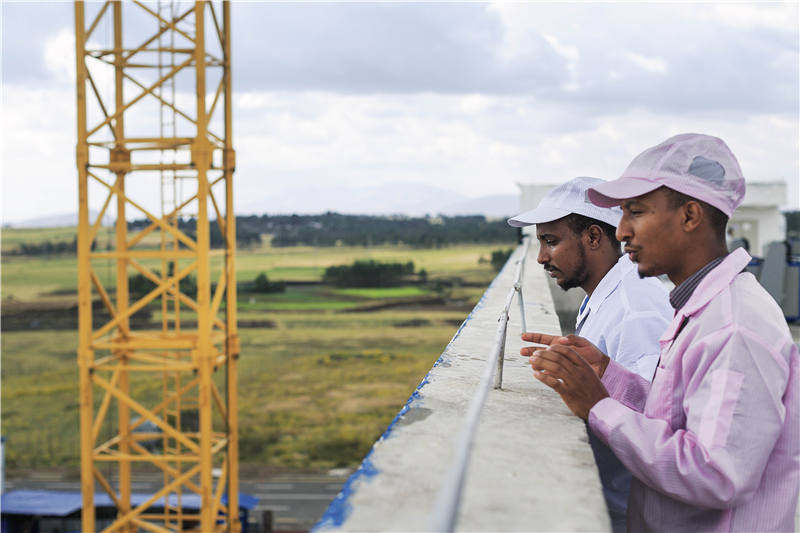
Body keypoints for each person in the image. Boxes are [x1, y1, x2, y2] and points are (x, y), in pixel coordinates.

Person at [523, 134, 799, 531]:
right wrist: (606, 373)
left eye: (635, 212)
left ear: (689, 217)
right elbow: (678, 418)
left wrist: (598, 407)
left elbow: (716, 474)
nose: (621, 231)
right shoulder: (702, 307)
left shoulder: (736, 326)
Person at [508, 177, 672, 531]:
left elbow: (658, 420)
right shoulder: (606, 295)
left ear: (594, 237)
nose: (540, 257)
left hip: (630, 513)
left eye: (551, 241)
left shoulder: (635, 311)